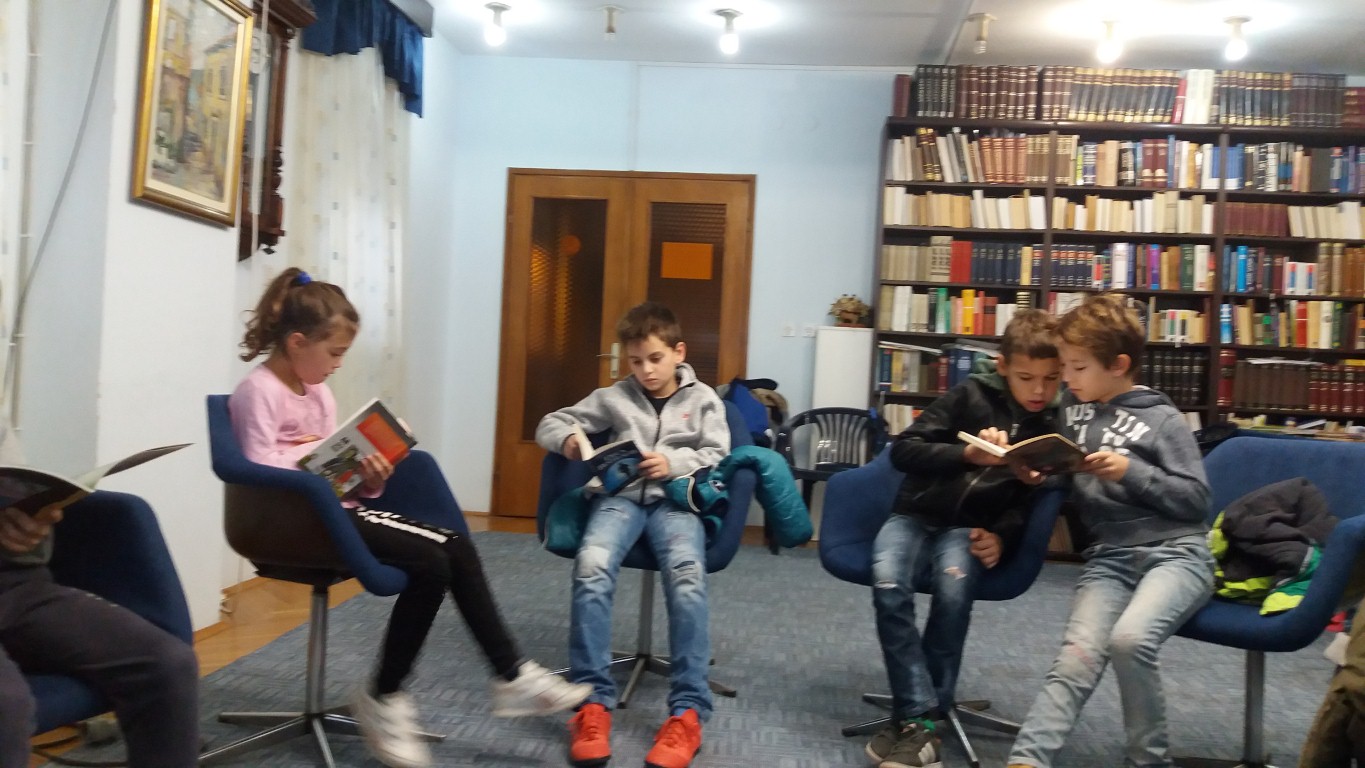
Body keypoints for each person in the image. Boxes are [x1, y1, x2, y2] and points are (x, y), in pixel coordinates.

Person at [229, 268, 589, 768]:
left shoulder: (320, 394)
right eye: (334, 353)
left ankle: (415, 688)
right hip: (287, 526)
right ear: (296, 342)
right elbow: (256, 472)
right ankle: (483, 679)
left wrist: (369, 472)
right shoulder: (258, 391)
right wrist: (314, 457)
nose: (337, 365)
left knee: (444, 554)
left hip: (335, 514)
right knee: (442, 552)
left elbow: (337, 479)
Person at [1007, 293, 1215, 768]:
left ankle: (1148, 761)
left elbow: (1196, 500)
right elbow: (1072, 474)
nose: (1066, 378)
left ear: (1119, 365)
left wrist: (1130, 472)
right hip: (1111, 557)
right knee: (1075, 658)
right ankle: (1027, 759)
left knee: (1129, 641)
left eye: (1078, 368)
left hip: (1176, 553)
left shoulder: (1162, 418)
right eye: (1065, 366)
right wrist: (1040, 472)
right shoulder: (1072, 408)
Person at [866, 309, 1063, 768]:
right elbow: (904, 450)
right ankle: (922, 716)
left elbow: (1032, 503)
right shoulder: (968, 395)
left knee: (954, 590)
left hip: (971, 528)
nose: (1039, 390)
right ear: (1003, 366)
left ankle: (913, 722)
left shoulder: (1056, 425)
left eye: (1052, 379)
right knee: (888, 583)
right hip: (914, 515)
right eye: (1026, 377)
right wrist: (967, 454)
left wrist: (1003, 537)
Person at [536, 301, 729, 768]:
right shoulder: (614, 396)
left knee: (687, 577)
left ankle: (687, 712)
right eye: (636, 360)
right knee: (592, 565)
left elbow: (719, 453)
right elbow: (551, 422)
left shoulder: (704, 399)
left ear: (678, 352)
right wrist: (570, 441)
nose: (645, 370)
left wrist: (674, 463)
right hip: (619, 499)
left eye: (655, 359)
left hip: (675, 502)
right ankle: (591, 703)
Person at [0, 425, 201, 768]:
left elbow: (14, 492)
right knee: (7, 703)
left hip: (15, 586)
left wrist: (29, 525)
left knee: (168, 664)